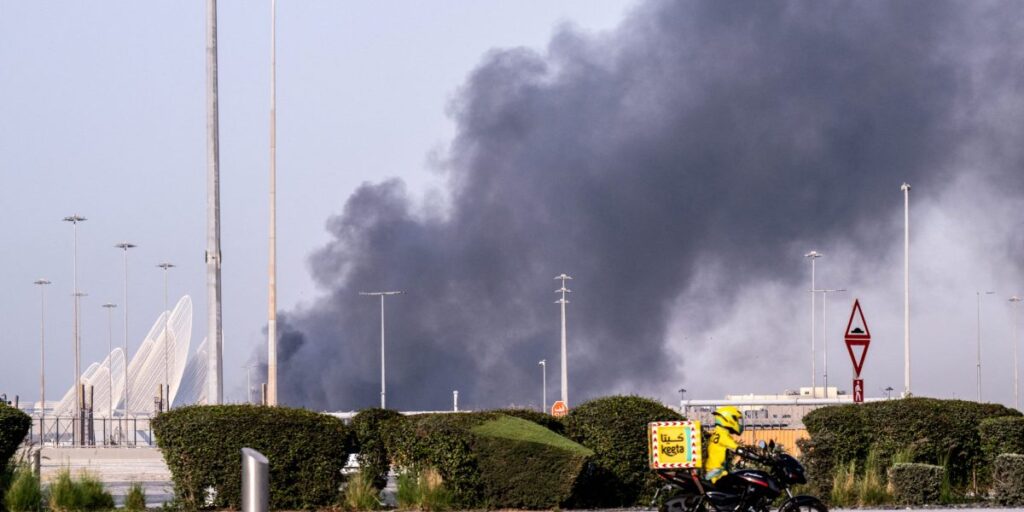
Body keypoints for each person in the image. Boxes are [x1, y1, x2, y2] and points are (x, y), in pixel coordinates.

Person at [703, 405, 744, 484]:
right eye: (736, 420)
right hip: (718, 476)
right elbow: (738, 449)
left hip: (711, 473)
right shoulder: (723, 436)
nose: (738, 423)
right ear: (729, 419)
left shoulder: (715, 433)